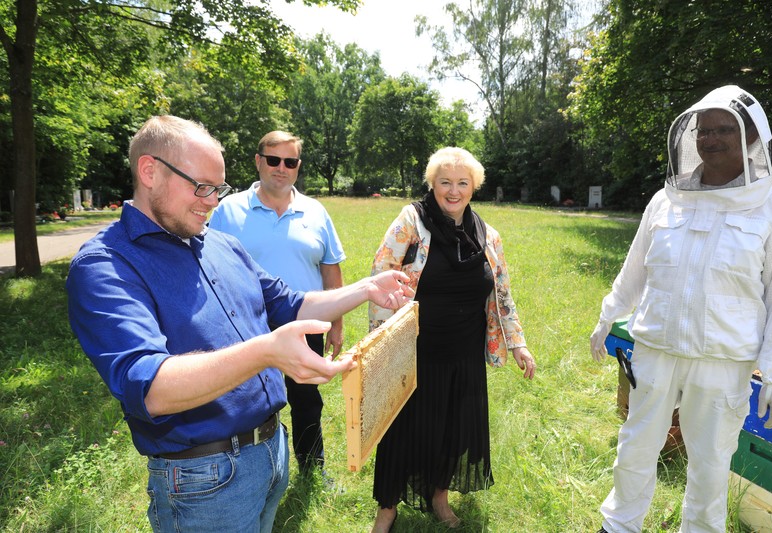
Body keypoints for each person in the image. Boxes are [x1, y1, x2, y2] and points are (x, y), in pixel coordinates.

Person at [65, 115, 414, 533]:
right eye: (201, 187)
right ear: (149, 171)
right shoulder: (106, 265)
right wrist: (266, 351)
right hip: (204, 480)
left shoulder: (220, 243)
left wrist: (364, 289)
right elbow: (150, 388)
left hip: (270, 452)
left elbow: (292, 304)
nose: (212, 201)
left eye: (219, 189)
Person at [589, 86, 772, 533]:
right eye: (703, 131)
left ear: (750, 138)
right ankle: (619, 525)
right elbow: (634, 270)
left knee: (710, 464)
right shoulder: (666, 200)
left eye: (725, 129)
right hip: (657, 348)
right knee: (636, 447)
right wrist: (609, 315)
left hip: (723, 361)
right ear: (690, 137)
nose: (711, 139)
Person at [368, 147, 536, 532]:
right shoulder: (412, 221)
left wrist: (517, 343)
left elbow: (502, 293)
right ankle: (388, 508)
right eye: (445, 182)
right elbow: (381, 272)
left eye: (463, 183)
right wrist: (380, 343)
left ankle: (438, 495)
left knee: (452, 426)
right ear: (432, 184)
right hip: (415, 348)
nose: (454, 190)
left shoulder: (487, 235)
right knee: (402, 428)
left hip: (465, 350)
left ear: (474, 187)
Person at [208, 131, 344, 477]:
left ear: (298, 167)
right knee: (250, 401)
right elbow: (207, 265)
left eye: (290, 161)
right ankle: (254, 473)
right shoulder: (227, 210)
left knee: (307, 401)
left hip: (305, 322)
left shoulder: (315, 211)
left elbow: (331, 268)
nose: (281, 168)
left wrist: (337, 323)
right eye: (273, 160)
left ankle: (313, 468)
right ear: (258, 161)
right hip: (247, 326)